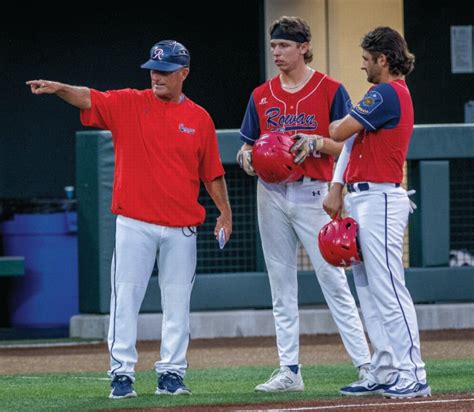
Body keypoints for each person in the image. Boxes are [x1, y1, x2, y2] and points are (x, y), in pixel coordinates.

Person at [27, 39, 232, 399]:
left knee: (177, 304)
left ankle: (172, 373)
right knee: (125, 300)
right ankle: (122, 374)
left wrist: (225, 213)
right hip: (135, 224)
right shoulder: (129, 103)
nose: (156, 76)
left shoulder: (199, 118)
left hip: (181, 228)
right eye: (153, 69)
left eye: (165, 70)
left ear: (183, 73)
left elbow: (212, 173)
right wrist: (60, 89)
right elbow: (89, 97)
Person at [237, 16, 371, 392]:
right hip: (272, 193)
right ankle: (289, 370)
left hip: (314, 191)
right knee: (280, 284)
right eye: (274, 46)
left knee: (333, 280)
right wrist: (245, 155)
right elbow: (248, 143)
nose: (276, 52)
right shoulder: (261, 94)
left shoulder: (330, 89)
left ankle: (365, 364)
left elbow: (347, 143)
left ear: (303, 47)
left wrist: (316, 142)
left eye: (284, 46)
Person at [324, 26, 431, 399]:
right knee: (369, 292)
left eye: (368, 59)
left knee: (388, 290)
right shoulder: (380, 94)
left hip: (382, 199)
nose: (363, 65)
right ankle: (385, 369)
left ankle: (413, 373)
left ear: (383, 59)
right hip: (363, 197)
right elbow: (350, 139)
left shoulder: (386, 92)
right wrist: (337, 186)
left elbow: (339, 132)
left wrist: (341, 123)